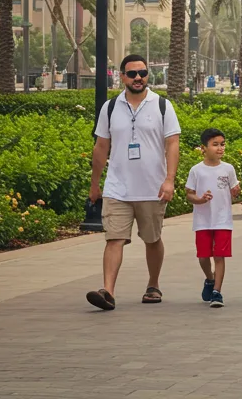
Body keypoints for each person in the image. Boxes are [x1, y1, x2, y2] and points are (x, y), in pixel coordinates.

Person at [85, 54, 181, 311]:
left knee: (152, 239)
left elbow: (172, 144)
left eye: (142, 73)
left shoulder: (162, 105)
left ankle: (153, 284)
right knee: (114, 238)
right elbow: (101, 147)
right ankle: (107, 291)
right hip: (118, 187)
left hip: (152, 187)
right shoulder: (110, 107)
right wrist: (96, 185)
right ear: (122, 77)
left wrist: (170, 180)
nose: (138, 78)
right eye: (132, 74)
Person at [185, 128, 240, 308]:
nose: (220, 148)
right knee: (203, 255)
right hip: (202, 221)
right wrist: (200, 200)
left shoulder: (228, 169)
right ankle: (209, 279)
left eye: (222, 144)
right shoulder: (196, 170)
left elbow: (234, 191)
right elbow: (189, 194)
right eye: (215, 144)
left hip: (223, 220)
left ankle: (217, 292)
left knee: (219, 255)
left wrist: (236, 192)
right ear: (203, 148)